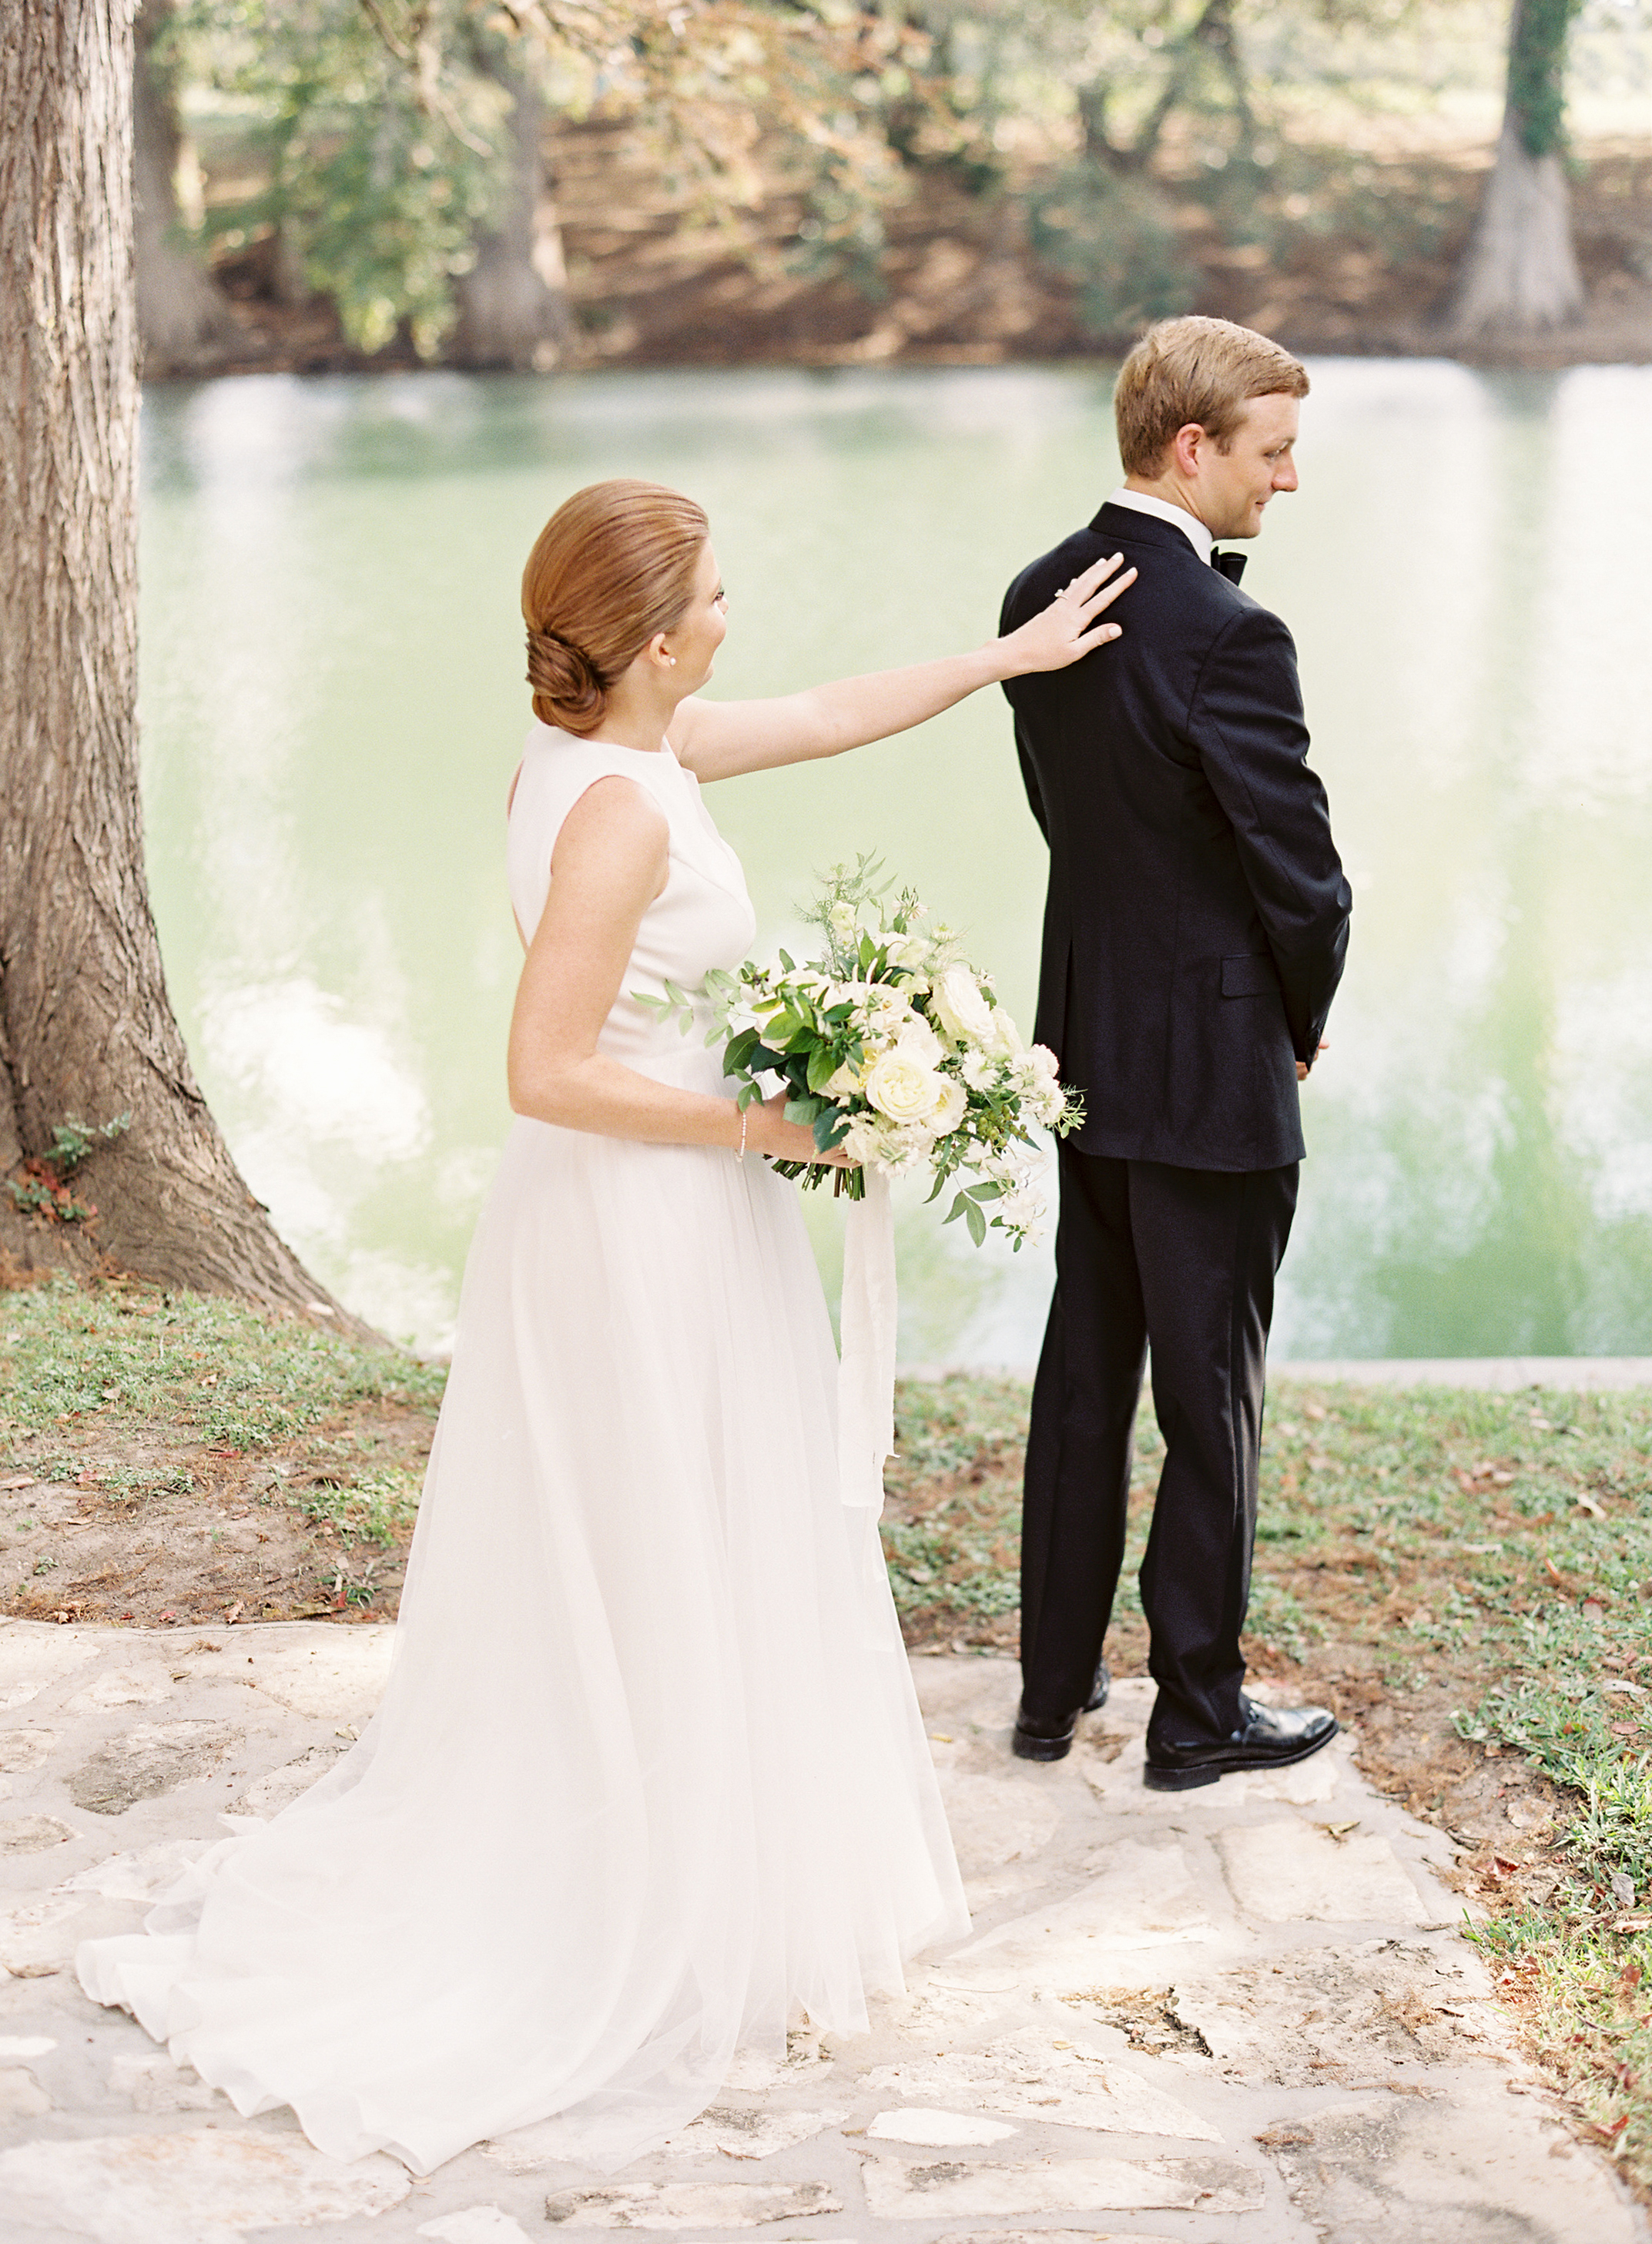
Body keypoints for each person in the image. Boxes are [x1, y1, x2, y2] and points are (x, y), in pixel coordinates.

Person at [78, 478, 1135, 2175]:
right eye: (713, 595)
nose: (733, 610)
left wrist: (1002, 656)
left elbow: (819, 714)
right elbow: (542, 1069)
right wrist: (765, 1127)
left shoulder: (625, 757)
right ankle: (632, 1899)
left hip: (665, 1214)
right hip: (638, 1220)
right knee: (656, 1531)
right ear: (649, 640)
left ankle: (690, 1853)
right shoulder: (619, 816)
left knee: (677, 1532)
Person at [1000, 317, 1352, 1787]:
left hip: (1083, 1043)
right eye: (1272, 453)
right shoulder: (1228, 633)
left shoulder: (1036, 594)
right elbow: (1300, 872)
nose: (1289, 483)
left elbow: (1072, 820)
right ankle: (1196, 1713)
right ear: (1191, 446)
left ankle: (1050, 1685)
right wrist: (1301, 1017)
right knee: (1206, 1395)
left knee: (1086, 1366)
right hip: (1210, 1067)